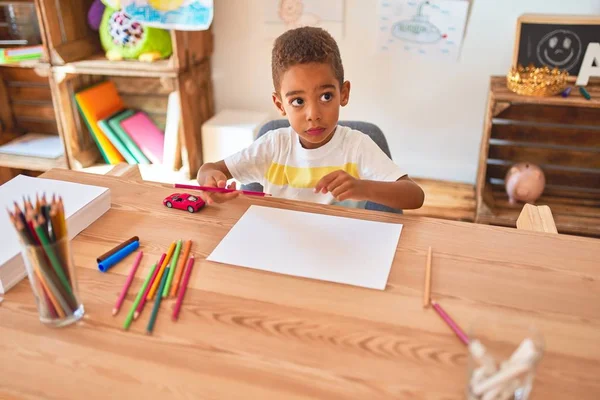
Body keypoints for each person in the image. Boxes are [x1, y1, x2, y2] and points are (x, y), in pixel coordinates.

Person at [196, 26, 424, 211]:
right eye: (298, 101)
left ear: (343, 94)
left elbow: (414, 196)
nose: (313, 114)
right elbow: (209, 169)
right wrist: (210, 180)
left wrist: (362, 188)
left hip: (345, 249)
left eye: (326, 96)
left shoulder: (357, 147)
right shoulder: (273, 146)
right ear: (280, 105)